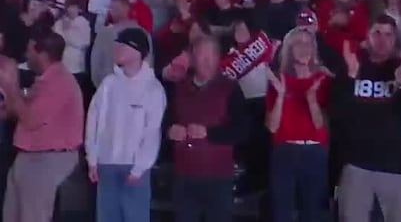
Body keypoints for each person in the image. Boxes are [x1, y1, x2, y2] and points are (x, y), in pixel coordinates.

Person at [332, 14, 401, 222]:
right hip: (356, 164)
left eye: (388, 35)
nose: (382, 40)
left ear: (394, 39)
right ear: (368, 36)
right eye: (377, 33)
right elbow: (337, 114)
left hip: (395, 166)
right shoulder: (351, 67)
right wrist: (350, 77)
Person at [0, 29, 84, 222]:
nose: (26, 55)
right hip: (29, 157)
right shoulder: (44, 81)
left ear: (43, 54)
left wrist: (11, 86)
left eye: (30, 51)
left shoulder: (59, 82)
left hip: (45, 160)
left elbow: (30, 120)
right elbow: (21, 112)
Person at [85, 26, 166, 222]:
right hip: (106, 164)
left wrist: (140, 167)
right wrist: (93, 158)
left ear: (138, 52)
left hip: (133, 167)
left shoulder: (153, 89)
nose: (117, 50)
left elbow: (152, 132)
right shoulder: (109, 84)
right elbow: (94, 120)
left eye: (122, 46)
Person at [167, 35, 247, 222]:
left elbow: (242, 129)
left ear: (219, 58)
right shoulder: (178, 88)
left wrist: (209, 134)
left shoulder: (231, 88)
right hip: (184, 175)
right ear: (193, 59)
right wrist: (169, 131)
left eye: (211, 56)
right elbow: (164, 123)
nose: (207, 62)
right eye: (202, 57)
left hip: (218, 176)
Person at [266, 26, 332, 222]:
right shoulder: (278, 80)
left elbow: (321, 125)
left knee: (312, 213)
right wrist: (280, 96)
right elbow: (272, 127)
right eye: (298, 44)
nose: (304, 48)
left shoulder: (323, 78)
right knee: (281, 212)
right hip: (284, 151)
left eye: (308, 43)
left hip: (314, 152)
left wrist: (311, 98)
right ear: (289, 49)